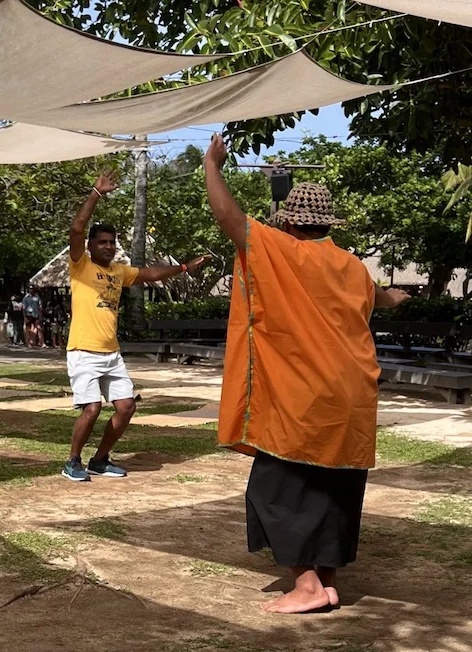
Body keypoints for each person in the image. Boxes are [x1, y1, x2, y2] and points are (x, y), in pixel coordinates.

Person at [203, 134, 410, 613]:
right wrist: (397, 299)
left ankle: (307, 586)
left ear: (291, 221)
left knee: (273, 489)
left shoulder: (280, 249)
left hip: (304, 397)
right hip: (353, 396)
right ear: (326, 224)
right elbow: (381, 297)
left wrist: (213, 165)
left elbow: (228, 218)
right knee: (334, 486)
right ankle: (328, 581)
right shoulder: (352, 265)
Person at [62, 171, 209, 483]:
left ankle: (99, 460)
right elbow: (76, 228)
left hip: (111, 354)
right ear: (90, 245)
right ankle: (72, 461)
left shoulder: (119, 271)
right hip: (83, 351)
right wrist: (96, 193)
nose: (108, 247)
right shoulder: (81, 265)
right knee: (91, 409)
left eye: (112, 242)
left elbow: (151, 274)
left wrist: (183, 267)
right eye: (102, 242)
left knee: (126, 407)